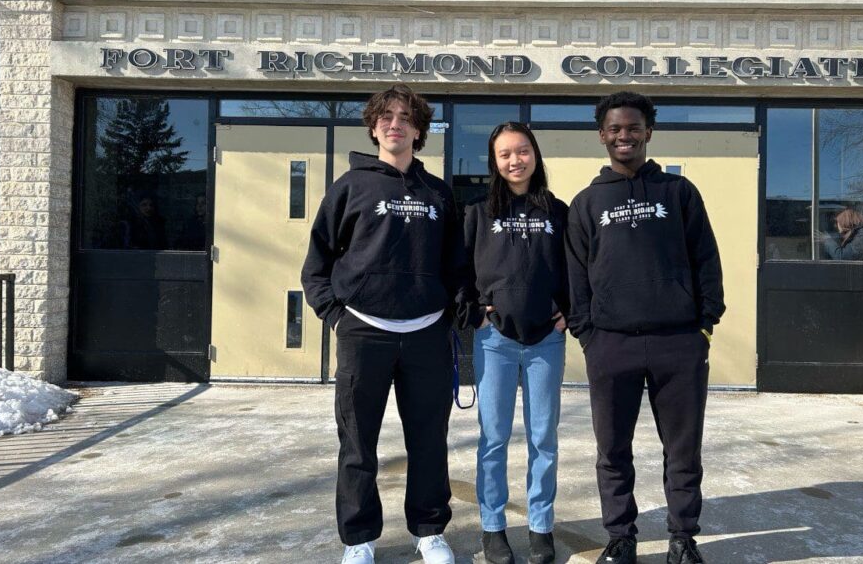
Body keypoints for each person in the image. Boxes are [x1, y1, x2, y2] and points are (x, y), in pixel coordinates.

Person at [301, 84, 464, 564]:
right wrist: (337, 315)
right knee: (357, 443)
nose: (396, 123)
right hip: (364, 332)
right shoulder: (350, 187)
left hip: (426, 333)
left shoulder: (438, 193)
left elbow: (456, 264)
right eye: (386, 116)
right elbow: (317, 262)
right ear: (374, 127)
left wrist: (451, 311)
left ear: (419, 129)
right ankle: (359, 539)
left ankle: (430, 531)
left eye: (406, 117)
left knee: (429, 441)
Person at [565, 92, 725, 564]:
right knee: (613, 451)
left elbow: (706, 259)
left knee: (682, 451)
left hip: (679, 343)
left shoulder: (679, 193)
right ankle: (620, 537)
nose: (624, 136)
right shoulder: (587, 202)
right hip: (611, 345)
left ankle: (682, 538)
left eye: (632, 127)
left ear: (648, 132)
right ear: (602, 135)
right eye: (614, 129)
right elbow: (576, 276)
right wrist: (587, 334)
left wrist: (704, 325)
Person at [456, 122, 569, 564]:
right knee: (494, 438)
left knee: (544, 438)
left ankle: (541, 527)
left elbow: (575, 267)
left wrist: (568, 309)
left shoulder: (557, 211)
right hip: (495, 342)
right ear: (494, 162)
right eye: (505, 154)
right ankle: (493, 527)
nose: (515, 161)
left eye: (522, 151)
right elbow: (461, 271)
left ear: (535, 155)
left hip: (546, 341)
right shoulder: (478, 213)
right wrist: (473, 313)